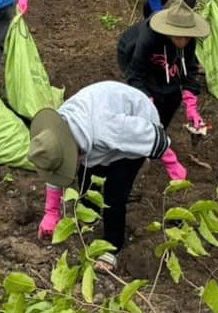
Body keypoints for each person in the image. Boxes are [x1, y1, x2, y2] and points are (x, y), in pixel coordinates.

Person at [31, 81, 182, 273]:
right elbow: (54, 165)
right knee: (87, 180)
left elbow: (148, 135)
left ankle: (113, 245)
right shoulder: (56, 130)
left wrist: (172, 164)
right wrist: (51, 213)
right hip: (103, 117)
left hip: (136, 125)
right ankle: (90, 218)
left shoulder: (107, 129)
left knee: (114, 194)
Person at [116, 0, 210, 181]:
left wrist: (191, 106)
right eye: (178, 36)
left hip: (166, 64)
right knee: (151, 101)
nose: (183, 41)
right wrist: (147, 104)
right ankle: (140, 149)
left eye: (187, 37)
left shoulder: (188, 40)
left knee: (172, 99)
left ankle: (157, 137)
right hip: (137, 59)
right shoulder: (149, 38)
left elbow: (189, 70)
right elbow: (135, 74)